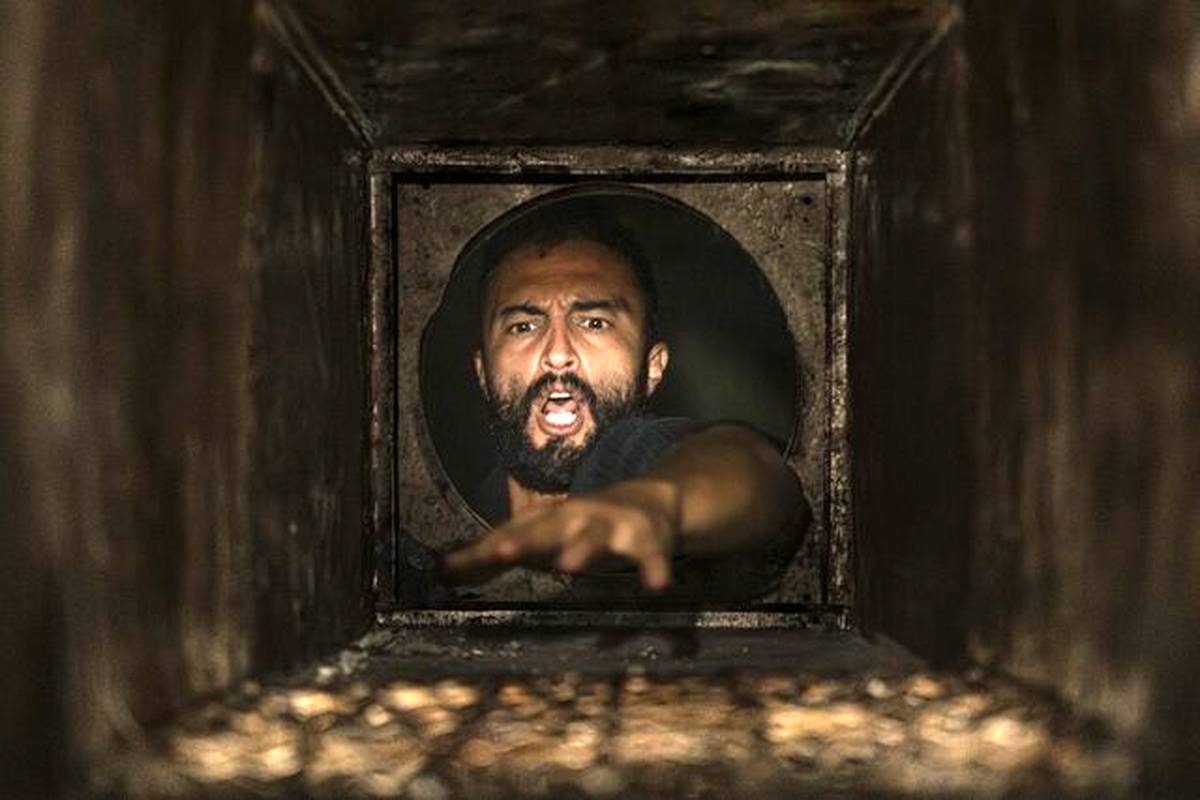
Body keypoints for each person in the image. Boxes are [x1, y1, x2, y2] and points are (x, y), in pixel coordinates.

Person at [442, 205, 809, 596]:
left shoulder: (636, 452)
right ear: (483, 372)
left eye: (594, 323)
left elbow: (753, 471)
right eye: (524, 326)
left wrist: (662, 504)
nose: (558, 353)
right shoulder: (479, 501)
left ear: (652, 368)